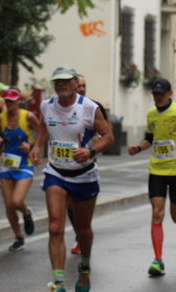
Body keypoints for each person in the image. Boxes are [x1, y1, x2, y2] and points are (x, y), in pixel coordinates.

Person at [30, 65, 114, 292]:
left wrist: (90, 150)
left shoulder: (89, 108)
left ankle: (85, 267)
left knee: (83, 230)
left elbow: (108, 136)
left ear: (76, 83)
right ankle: (58, 284)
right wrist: (37, 146)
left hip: (84, 176)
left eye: (66, 81)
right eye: (57, 81)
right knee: (55, 227)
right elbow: (44, 126)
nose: (61, 85)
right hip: (56, 173)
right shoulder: (47, 106)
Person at [128, 78, 176, 277]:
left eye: (161, 94)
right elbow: (150, 138)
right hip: (157, 169)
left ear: (170, 93)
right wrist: (138, 147)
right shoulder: (151, 114)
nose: (158, 97)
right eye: (155, 94)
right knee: (157, 213)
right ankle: (158, 260)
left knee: (174, 216)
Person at [67, 74, 110, 255]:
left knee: (81, 206)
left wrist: (95, 147)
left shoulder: (94, 107)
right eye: (79, 85)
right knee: (69, 205)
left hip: (87, 165)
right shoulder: (64, 107)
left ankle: (82, 235)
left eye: (84, 85)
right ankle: (79, 235)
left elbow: (108, 132)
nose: (82, 89)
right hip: (64, 165)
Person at [0, 89, 38, 251]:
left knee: (17, 201)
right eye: (7, 101)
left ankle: (26, 212)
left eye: (13, 101)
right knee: (9, 205)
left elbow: (43, 135)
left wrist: (31, 146)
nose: (10, 104)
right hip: (7, 164)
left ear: (18, 101)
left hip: (25, 164)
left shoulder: (28, 117)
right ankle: (18, 237)